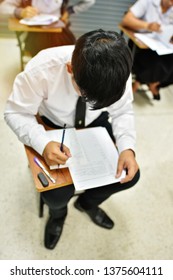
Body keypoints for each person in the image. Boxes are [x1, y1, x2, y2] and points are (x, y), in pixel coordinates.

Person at [4, 29, 140, 250]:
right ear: (70, 69)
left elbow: (122, 112)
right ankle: (59, 215)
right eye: (88, 96)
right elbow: (15, 112)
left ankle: (87, 204)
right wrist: (42, 142)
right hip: (53, 125)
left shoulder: (117, 72)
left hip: (95, 123)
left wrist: (126, 148)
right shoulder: (43, 68)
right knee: (57, 193)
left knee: (128, 176)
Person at [121, 0, 173, 100]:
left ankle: (154, 83)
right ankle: (140, 82)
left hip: (161, 44)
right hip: (141, 43)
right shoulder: (147, 2)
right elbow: (126, 20)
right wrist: (147, 26)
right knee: (156, 63)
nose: (171, 4)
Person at [2, 0, 95, 56]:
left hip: (58, 30)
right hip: (35, 31)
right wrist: (20, 12)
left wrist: (69, 11)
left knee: (69, 50)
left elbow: (89, 1)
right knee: (40, 51)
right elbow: (2, 7)